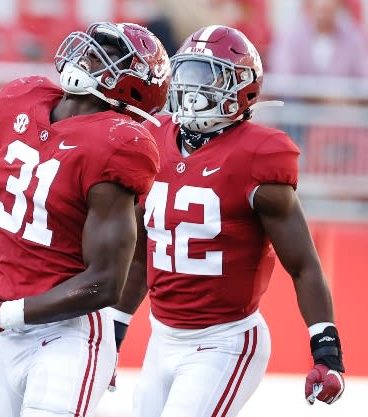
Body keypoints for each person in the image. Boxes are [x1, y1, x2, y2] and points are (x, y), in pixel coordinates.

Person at [0, 22, 171, 417]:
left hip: (69, 335)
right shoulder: (18, 101)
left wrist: (3, 314)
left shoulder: (118, 144)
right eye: (94, 48)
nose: (90, 55)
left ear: (133, 87)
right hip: (9, 333)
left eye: (108, 56)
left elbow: (106, 282)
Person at [109, 25, 345, 417]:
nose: (189, 88)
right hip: (162, 338)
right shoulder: (155, 139)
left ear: (242, 88)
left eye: (205, 75)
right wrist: (112, 334)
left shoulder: (257, 154)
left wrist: (327, 350)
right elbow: (141, 255)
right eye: (186, 73)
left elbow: (303, 264)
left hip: (225, 342)